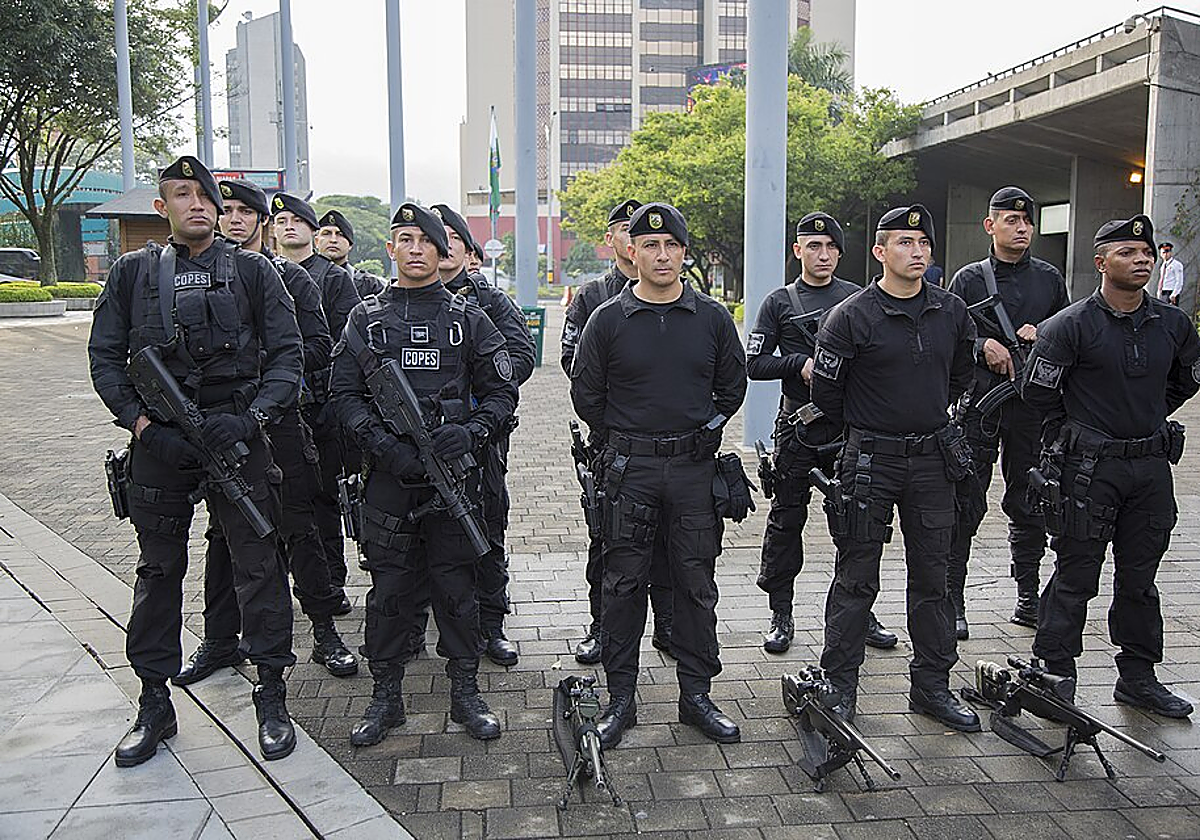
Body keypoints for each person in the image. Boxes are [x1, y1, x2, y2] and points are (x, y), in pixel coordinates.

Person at [88, 156, 303, 765]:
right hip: (161, 447)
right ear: (163, 208)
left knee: (260, 565)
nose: (198, 203)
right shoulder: (132, 274)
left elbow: (289, 357)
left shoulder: (255, 272)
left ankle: (271, 692)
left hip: (236, 438)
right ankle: (154, 701)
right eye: (182, 194)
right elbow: (104, 359)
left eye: (205, 193)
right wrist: (142, 426)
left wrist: (253, 417)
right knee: (158, 573)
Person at [331, 203, 518, 745]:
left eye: (426, 241)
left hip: (455, 477)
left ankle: (465, 692)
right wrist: (384, 446)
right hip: (390, 479)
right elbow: (343, 393)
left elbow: (503, 389)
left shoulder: (469, 319)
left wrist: (474, 431)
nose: (415, 249)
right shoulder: (365, 320)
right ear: (391, 249)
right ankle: (385, 696)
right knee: (389, 591)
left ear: (443, 252)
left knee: (457, 588)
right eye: (404, 239)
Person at [570, 202, 747, 746]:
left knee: (695, 585)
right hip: (631, 472)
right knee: (623, 585)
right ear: (633, 251)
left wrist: (703, 428)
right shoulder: (607, 319)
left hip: (694, 469)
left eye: (671, 245)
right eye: (650, 245)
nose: (661, 254)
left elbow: (733, 387)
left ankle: (696, 696)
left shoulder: (713, 318)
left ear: (683, 253)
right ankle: (620, 699)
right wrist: (630, 438)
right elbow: (586, 396)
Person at [174, 178, 357, 687]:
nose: (232, 219)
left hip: (280, 424)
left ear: (259, 223)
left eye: (243, 212)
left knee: (299, 528)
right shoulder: (199, 275)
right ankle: (218, 640)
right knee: (222, 537)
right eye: (224, 209)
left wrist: (260, 384)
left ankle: (324, 631)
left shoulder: (290, 280)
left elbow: (318, 348)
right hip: (221, 431)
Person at [1021, 214, 1199, 718]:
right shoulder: (1070, 326)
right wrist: (1081, 430)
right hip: (1087, 472)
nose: (1141, 260)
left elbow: (1185, 380)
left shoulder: (1173, 324)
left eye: (1145, 254)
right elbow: (1037, 394)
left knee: (1140, 580)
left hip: (1149, 469)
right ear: (1101, 262)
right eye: (1127, 253)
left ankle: (1139, 679)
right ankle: (1054, 675)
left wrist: (1143, 418)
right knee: (1076, 574)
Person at [811, 204, 980, 731]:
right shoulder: (851, 316)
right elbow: (827, 395)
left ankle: (932, 686)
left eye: (923, 243)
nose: (917, 251)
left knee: (934, 577)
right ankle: (839, 688)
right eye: (904, 243)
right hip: (870, 462)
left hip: (932, 461)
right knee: (856, 578)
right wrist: (874, 428)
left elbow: (960, 377)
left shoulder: (952, 311)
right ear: (880, 252)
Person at [746, 212, 896, 654]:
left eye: (831, 247)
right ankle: (781, 611)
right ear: (798, 251)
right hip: (796, 427)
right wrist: (798, 363)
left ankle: (858, 612)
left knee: (855, 524)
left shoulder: (858, 297)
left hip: (847, 429)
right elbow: (754, 364)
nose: (823, 254)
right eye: (814, 246)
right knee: (786, 520)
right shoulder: (779, 302)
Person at [946, 187, 1069, 638]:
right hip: (981, 407)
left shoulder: (1050, 279)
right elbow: (952, 340)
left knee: (1031, 500)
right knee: (965, 502)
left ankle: (1027, 595)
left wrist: (1045, 334)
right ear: (990, 225)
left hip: (1032, 408)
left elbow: (1069, 335)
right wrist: (983, 345)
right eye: (1010, 221)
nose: (1020, 229)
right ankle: (953, 599)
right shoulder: (968, 280)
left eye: (1026, 222)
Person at [561, 199, 674, 666]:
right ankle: (601, 628)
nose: (633, 239)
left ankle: (668, 626)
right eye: (624, 231)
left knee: (672, 543)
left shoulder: (681, 298)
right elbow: (574, 365)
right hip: (615, 444)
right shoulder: (592, 298)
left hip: (673, 448)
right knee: (608, 545)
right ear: (614, 241)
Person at [432, 203, 536, 666]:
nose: (445, 245)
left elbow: (521, 355)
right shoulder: (402, 301)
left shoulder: (489, 301)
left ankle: (492, 623)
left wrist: (481, 389)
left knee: (487, 526)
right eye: (439, 237)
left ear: (467, 249)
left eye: (454, 236)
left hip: (481, 435)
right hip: (422, 441)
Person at [272, 194, 362, 609]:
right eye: (281, 220)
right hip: (270, 407)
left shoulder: (332, 278)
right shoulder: (263, 272)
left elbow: (345, 342)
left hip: (317, 403)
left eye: (297, 220)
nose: (288, 226)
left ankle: (330, 581)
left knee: (322, 496)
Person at [316, 209, 387, 299]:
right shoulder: (302, 278)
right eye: (326, 234)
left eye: (340, 234)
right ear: (316, 241)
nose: (333, 240)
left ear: (350, 244)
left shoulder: (369, 285)